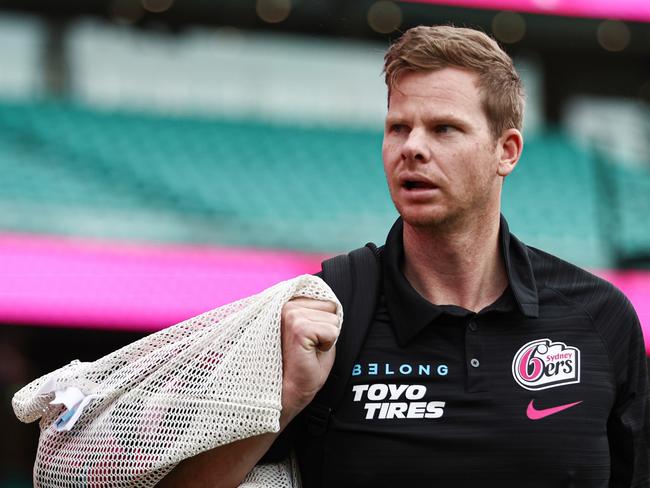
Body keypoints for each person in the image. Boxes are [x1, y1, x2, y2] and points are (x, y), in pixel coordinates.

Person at [157, 25, 649, 487]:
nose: (412, 148)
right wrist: (286, 399)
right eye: (398, 128)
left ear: (507, 151)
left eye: (444, 129)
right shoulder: (326, 312)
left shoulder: (600, 319)